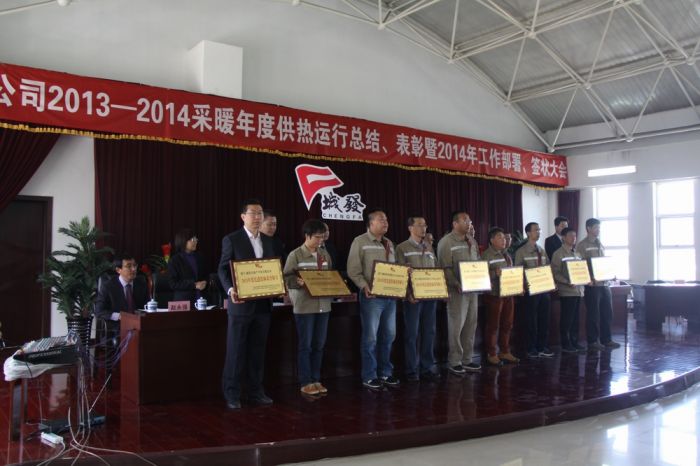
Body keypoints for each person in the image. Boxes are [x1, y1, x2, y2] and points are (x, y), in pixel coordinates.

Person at [217, 199, 277, 409]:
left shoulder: (268, 240)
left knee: (257, 351)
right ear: (243, 217)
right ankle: (232, 394)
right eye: (253, 213)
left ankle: (255, 392)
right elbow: (222, 269)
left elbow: (271, 268)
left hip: (263, 305)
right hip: (241, 304)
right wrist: (230, 290)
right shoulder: (232, 239)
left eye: (260, 213)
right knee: (236, 351)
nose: (258, 217)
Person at [347, 207, 400, 390]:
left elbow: (395, 268)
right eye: (381, 219)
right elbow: (353, 269)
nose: (385, 222)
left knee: (389, 335)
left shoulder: (389, 243)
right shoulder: (360, 241)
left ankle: (385, 372)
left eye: (386, 219)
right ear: (370, 223)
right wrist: (364, 285)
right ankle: (369, 375)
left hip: (390, 297)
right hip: (372, 297)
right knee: (370, 337)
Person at [283, 219, 333, 396]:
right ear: (307, 236)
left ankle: (316, 379)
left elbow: (330, 275)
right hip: (304, 307)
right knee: (306, 345)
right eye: (317, 237)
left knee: (319, 344)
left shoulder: (324, 254)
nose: (320, 240)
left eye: (322, 237)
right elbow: (286, 278)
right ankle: (305, 382)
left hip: (324, 306)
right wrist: (296, 281)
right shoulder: (295, 255)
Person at [396, 216, 440, 382]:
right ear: (410, 228)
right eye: (420, 225)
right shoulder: (402, 248)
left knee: (429, 332)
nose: (423, 228)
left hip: (430, 296)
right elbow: (400, 272)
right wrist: (408, 293)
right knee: (412, 334)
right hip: (413, 298)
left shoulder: (429, 246)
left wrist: (440, 290)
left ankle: (427, 367)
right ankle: (411, 369)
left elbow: (436, 270)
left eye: (425, 225)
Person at [436, 211, 481, 375]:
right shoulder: (446, 242)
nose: (469, 223)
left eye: (469, 220)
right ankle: (455, 361)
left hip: (472, 290)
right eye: (465, 220)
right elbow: (444, 268)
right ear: (455, 224)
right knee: (456, 327)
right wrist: (456, 283)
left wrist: (481, 280)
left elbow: (477, 264)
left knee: (471, 325)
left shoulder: (472, 240)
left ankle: (467, 359)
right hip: (456, 291)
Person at [575, 218, 622, 351]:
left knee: (607, 313)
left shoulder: (600, 243)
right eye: (596, 227)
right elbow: (580, 265)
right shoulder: (582, 245)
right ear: (588, 228)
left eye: (599, 228)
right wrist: (588, 278)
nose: (598, 230)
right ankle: (592, 341)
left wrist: (611, 274)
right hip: (592, 286)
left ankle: (606, 339)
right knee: (593, 314)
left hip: (605, 284)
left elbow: (603, 263)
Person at [480, 227, 519, 366]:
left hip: (508, 294)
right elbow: (480, 275)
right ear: (492, 240)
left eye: (504, 238)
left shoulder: (506, 254)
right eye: (500, 237)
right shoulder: (486, 255)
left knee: (507, 324)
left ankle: (505, 351)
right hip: (494, 295)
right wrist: (493, 273)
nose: (504, 240)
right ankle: (491, 353)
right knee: (493, 325)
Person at [514, 222, 553, 358]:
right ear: (528, 233)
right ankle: (531, 347)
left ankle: (542, 346)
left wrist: (550, 282)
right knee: (531, 321)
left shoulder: (541, 250)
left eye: (539, 229)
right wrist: (524, 285)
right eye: (536, 230)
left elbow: (548, 267)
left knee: (544, 319)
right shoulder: (521, 251)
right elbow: (518, 272)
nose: (539, 232)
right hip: (530, 291)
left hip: (544, 290)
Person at [551, 227, 586, 353]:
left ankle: (574, 342)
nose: (573, 238)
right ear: (563, 238)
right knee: (567, 319)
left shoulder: (577, 253)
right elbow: (555, 273)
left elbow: (582, 270)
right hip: (567, 291)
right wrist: (567, 281)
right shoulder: (558, 254)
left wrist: (585, 279)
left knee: (576, 319)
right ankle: (566, 344)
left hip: (578, 291)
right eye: (570, 235)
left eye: (575, 236)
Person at [95, 254, 148, 332]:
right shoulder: (108, 286)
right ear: (118, 270)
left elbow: (147, 307)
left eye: (135, 265)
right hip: (118, 328)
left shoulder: (141, 284)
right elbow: (99, 311)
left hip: (140, 327)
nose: (134, 269)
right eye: (129, 266)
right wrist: (119, 316)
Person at [167, 228, 208, 307]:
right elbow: (173, 284)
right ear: (183, 241)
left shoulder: (200, 257)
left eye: (196, 239)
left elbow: (206, 275)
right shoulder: (175, 260)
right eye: (192, 239)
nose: (195, 241)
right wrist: (194, 285)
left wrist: (205, 282)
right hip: (183, 302)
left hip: (201, 300)